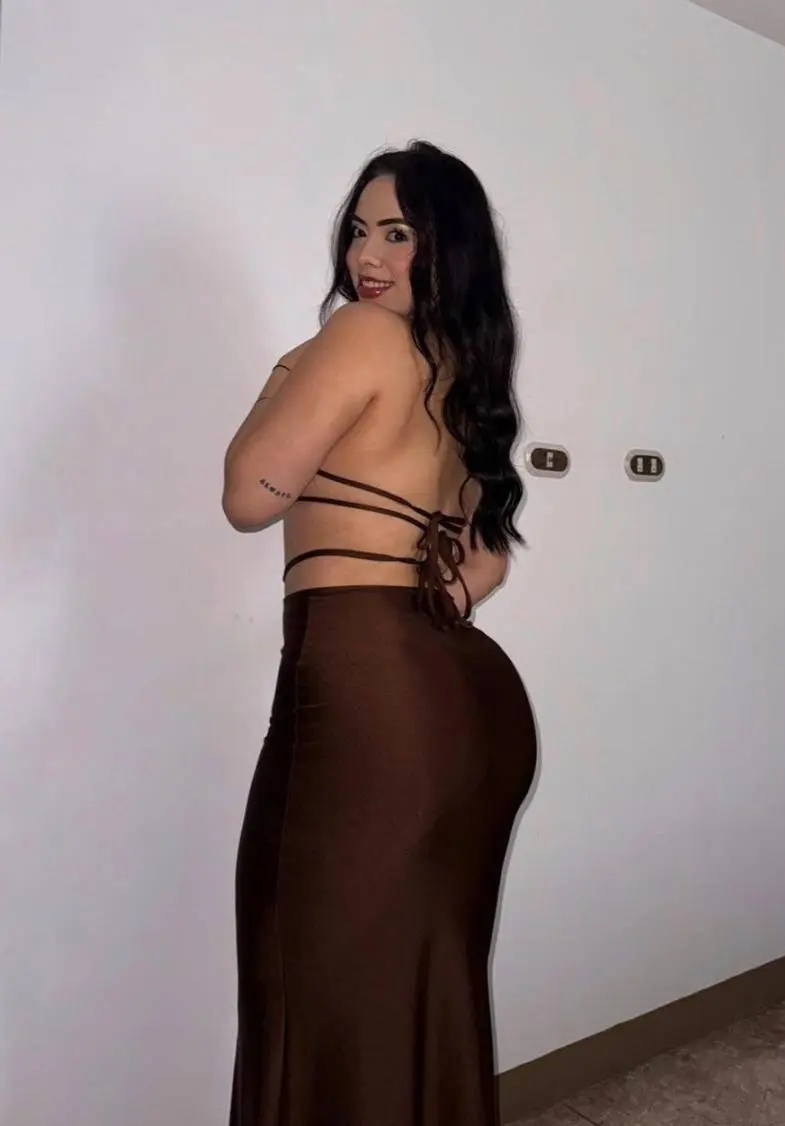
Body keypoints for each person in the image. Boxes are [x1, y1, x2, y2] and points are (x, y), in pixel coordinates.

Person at [222, 140, 537, 1126]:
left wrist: (287, 373)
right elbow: (484, 565)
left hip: (363, 692)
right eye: (359, 231)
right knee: (421, 986)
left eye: (398, 233)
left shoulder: (358, 336)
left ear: (448, 246)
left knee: (309, 986)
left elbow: (248, 495)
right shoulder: (463, 376)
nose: (367, 255)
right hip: (459, 705)